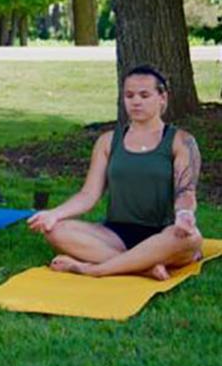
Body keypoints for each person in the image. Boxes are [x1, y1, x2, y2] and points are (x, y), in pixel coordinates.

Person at [27, 65, 203, 280]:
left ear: (162, 98)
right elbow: (88, 195)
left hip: (164, 233)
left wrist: (185, 215)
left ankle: (93, 269)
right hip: (115, 234)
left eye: (144, 95)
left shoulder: (181, 140)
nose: (136, 101)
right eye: (129, 95)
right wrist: (54, 214)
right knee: (56, 230)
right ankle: (143, 267)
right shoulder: (108, 141)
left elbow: (186, 191)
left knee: (190, 240)